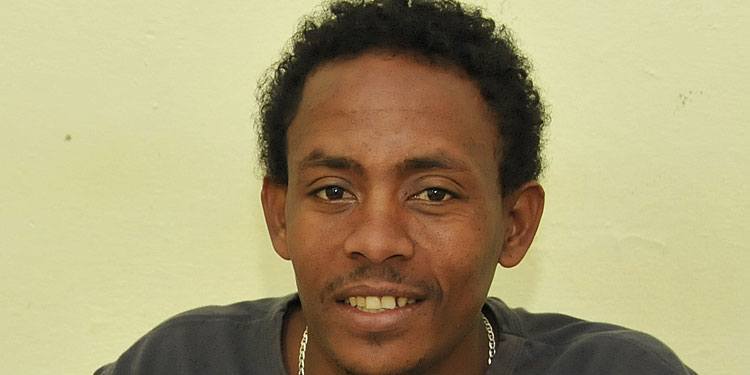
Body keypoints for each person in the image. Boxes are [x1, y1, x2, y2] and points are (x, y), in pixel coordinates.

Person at [96, 1, 696, 374]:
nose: (377, 241)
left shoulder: (616, 371)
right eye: (333, 191)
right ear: (279, 217)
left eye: (434, 193)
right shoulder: (179, 363)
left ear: (514, 224)